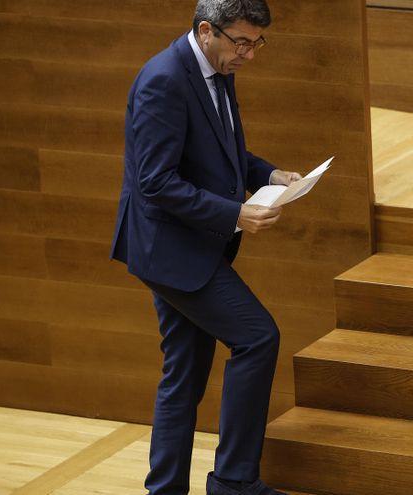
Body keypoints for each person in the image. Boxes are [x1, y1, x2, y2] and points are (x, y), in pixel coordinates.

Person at [110, 1, 298, 493]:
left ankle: (165, 489)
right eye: (241, 42)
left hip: (192, 246)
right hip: (170, 250)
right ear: (205, 31)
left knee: (184, 375)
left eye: (257, 44)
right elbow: (156, 183)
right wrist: (236, 213)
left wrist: (268, 174)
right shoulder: (164, 80)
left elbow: (223, 149)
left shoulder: (217, 68)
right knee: (258, 337)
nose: (249, 55)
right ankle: (234, 483)